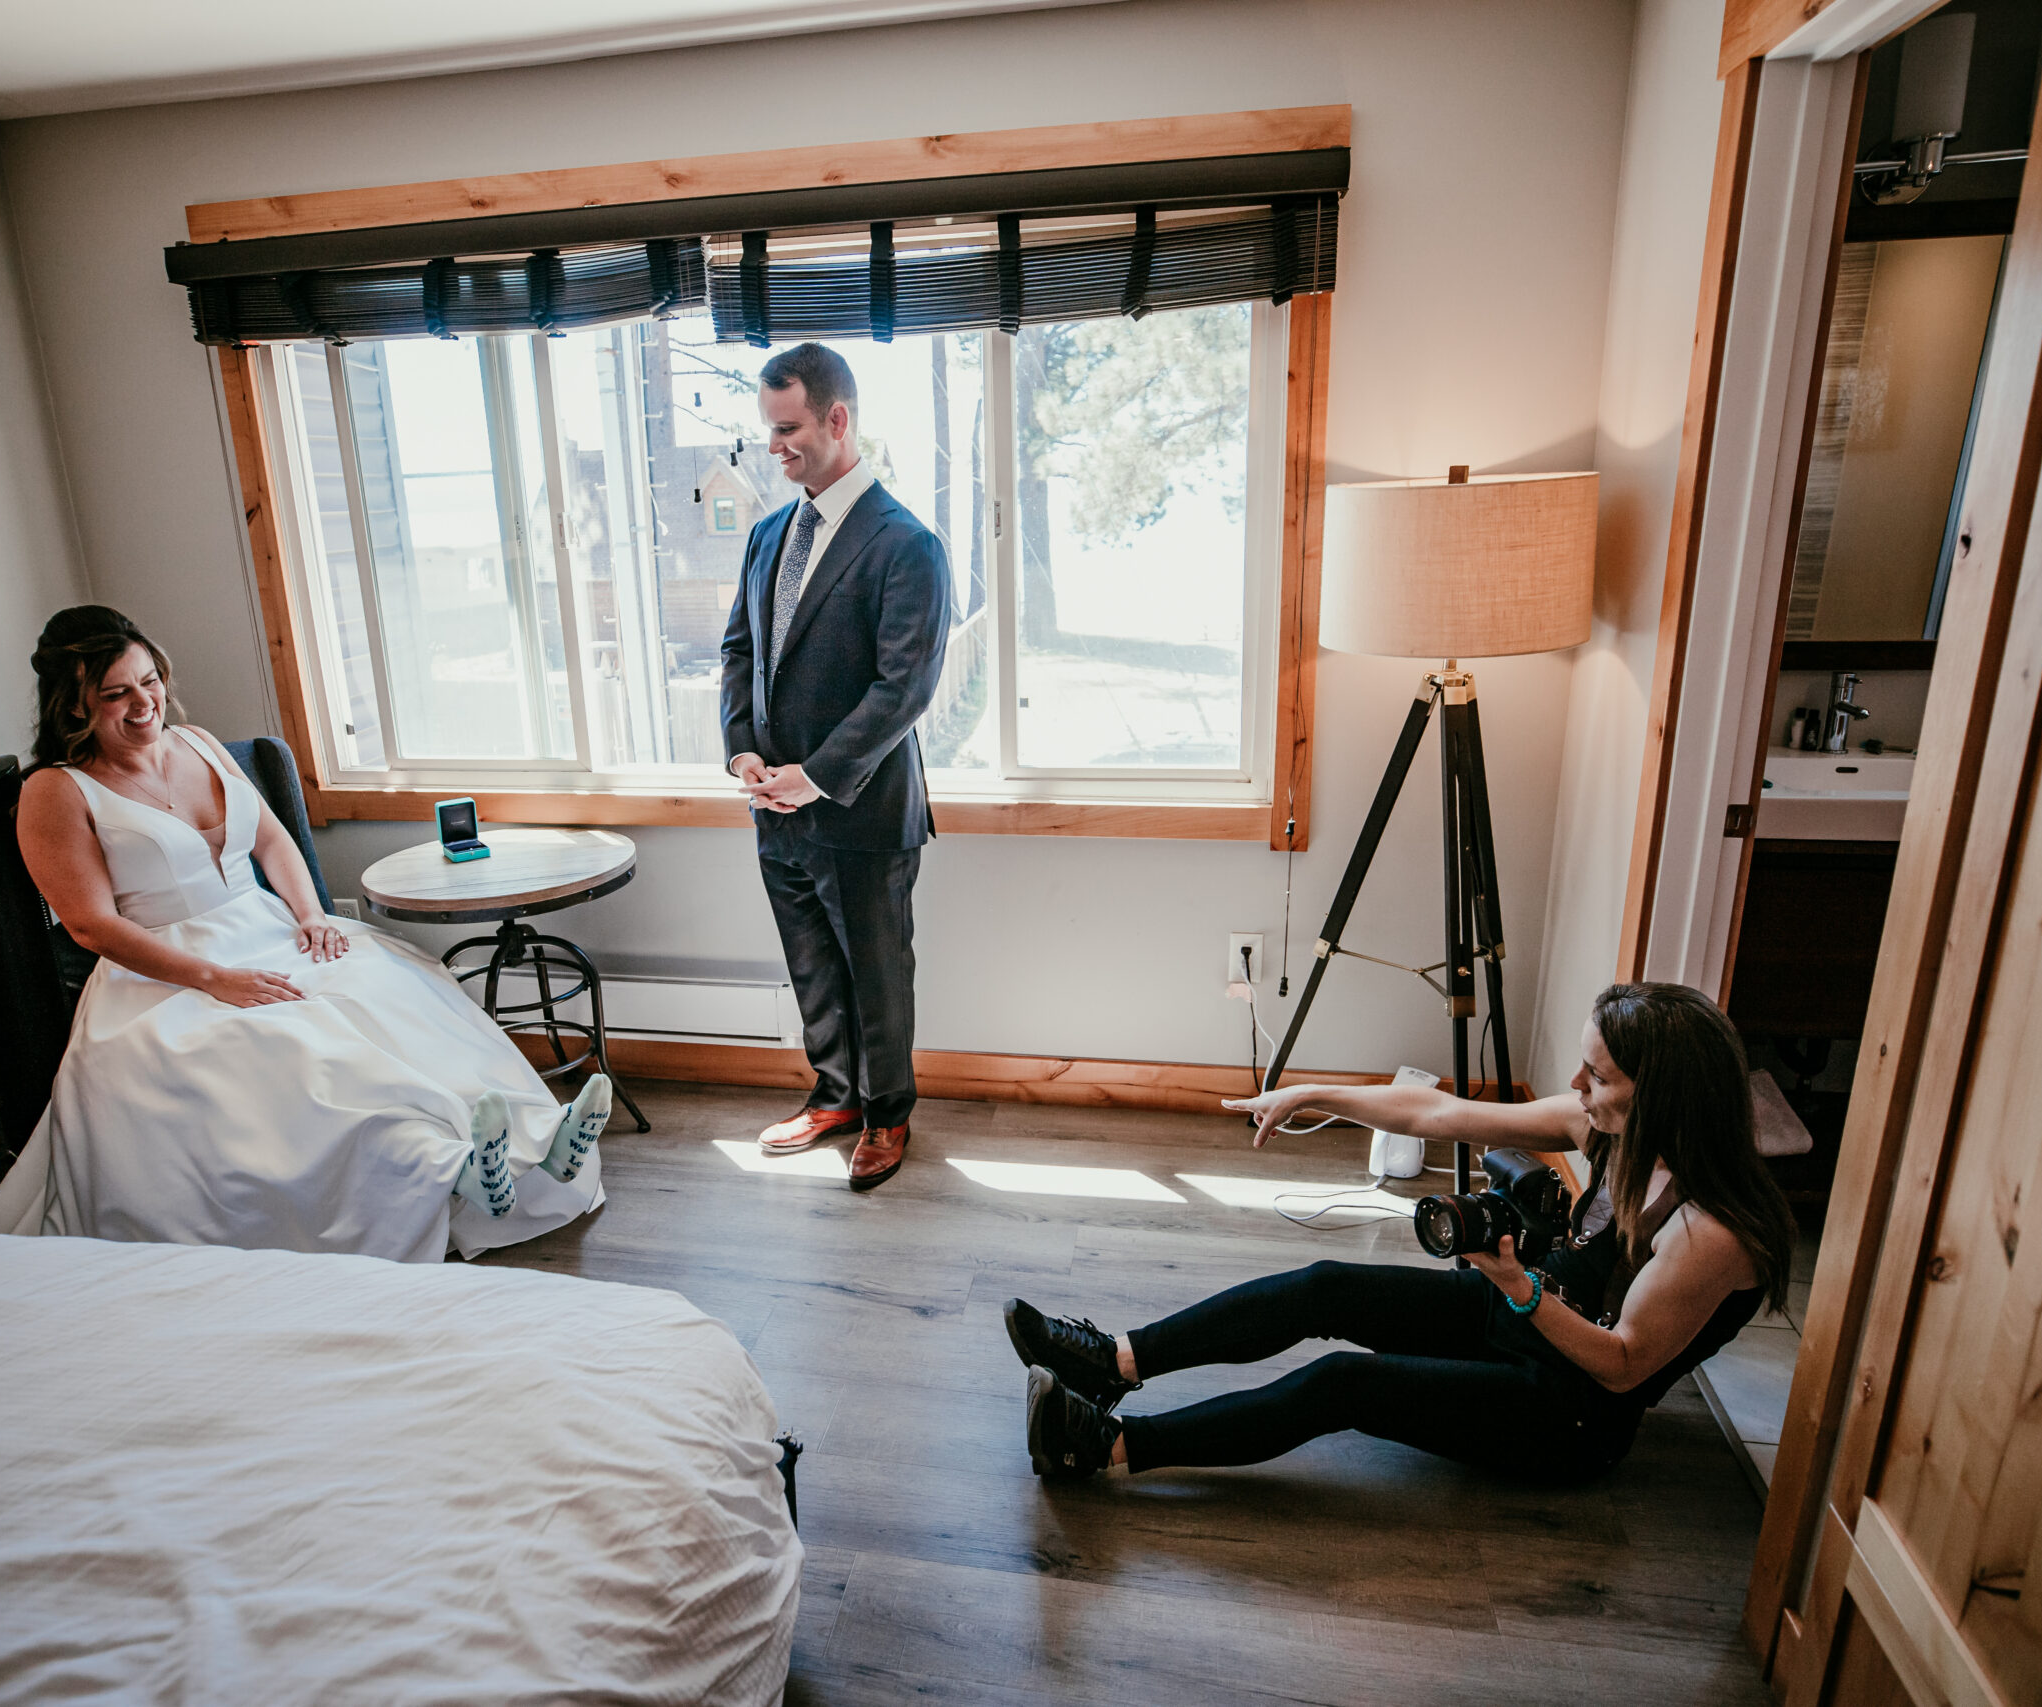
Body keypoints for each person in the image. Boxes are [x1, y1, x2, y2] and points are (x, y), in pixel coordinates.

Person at [0, 605, 611, 1262]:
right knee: (313, 1053)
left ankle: (539, 1150)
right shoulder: (55, 791)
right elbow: (89, 923)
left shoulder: (197, 742)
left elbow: (273, 840)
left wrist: (310, 916)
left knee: (395, 996)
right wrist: (216, 979)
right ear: (73, 705)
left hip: (271, 929)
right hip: (168, 974)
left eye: (149, 680)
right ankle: (454, 1171)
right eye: (117, 694)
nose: (144, 703)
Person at [1004, 982, 1795, 1481]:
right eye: (1583, 1068)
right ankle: (1114, 1359)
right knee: (1325, 1287)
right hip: (1522, 1316)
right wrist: (1316, 1093)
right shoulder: (1608, 1126)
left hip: (1567, 1408)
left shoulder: (1710, 1231)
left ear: (1660, 1096)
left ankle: (1107, 1447)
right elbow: (1435, 1111)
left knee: (1341, 1383)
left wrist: (1518, 1286)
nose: (1578, 1086)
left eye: (1600, 1076)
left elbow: (1622, 1366)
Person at [721, 344, 952, 1191]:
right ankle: (837, 1096)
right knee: (811, 965)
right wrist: (743, 750)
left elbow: (904, 689)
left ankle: (888, 1114)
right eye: (767, 432)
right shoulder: (765, 535)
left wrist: (813, 774)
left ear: (838, 419)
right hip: (772, 809)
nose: (774, 448)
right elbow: (740, 651)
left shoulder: (907, 545)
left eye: (788, 430)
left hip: (860, 810)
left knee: (877, 975)